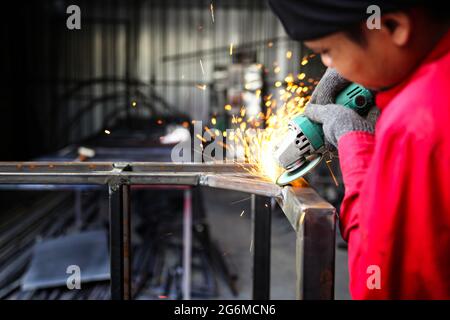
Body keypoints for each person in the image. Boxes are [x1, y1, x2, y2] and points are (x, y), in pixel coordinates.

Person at [269, 0, 450, 299]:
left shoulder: (415, 124)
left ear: (393, 26)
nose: (329, 65)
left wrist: (355, 143)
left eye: (327, 51)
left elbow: (377, 279)